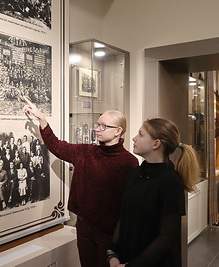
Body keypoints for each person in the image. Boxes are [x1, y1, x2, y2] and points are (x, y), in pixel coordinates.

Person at [23, 96, 139, 267]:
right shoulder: (86, 151)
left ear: (118, 131)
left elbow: (130, 204)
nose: (97, 129)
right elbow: (57, 146)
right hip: (84, 227)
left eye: (103, 126)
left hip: (110, 234)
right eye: (97, 124)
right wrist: (41, 118)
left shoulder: (128, 162)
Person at [107, 118, 200, 267]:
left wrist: (132, 265)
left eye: (140, 134)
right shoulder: (134, 174)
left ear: (156, 144)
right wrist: (112, 252)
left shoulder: (171, 182)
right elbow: (124, 216)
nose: (134, 138)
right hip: (125, 257)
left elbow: (166, 238)